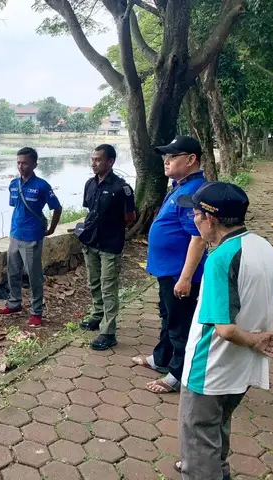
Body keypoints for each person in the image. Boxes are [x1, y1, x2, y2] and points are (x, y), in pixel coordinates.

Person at [174, 182, 273, 479]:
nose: (195, 220)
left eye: (196, 214)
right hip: (241, 370)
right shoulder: (264, 246)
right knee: (217, 427)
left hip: (210, 368)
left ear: (210, 219)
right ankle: (217, 469)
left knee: (197, 437)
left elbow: (224, 329)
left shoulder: (220, 259)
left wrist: (254, 340)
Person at [132, 135, 207, 394]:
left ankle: (176, 374)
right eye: (166, 156)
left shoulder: (192, 193)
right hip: (167, 270)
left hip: (179, 273)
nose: (166, 161)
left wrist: (186, 278)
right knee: (167, 316)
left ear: (190, 159)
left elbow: (198, 238)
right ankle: (161, 358)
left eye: (172, 156)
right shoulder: (181, 185)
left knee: (179, 325)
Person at [78, 144, 136, 350]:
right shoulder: (90, 184)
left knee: (108, 287)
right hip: (91, 242)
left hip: (110, 244)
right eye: (92, 159)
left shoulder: (122, 188)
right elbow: (90, 211)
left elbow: (130, 217)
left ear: (110, 162)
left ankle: (108, 332)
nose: (93, 163)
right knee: (94, 283)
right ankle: (97, 315)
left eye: (98, 160)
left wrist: (113, 229)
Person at [0, 147, 62, 327]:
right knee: (13, 272)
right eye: (18, 162)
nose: (21, 166)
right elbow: (15, 206)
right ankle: (14, 303)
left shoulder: (42, 186)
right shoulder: (13, 184)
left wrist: (51, 229)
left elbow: (57, 208)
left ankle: (36, 312)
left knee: (34, 276)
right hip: (15, 234)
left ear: (34, 164)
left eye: (25, 163)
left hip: (32, 236)